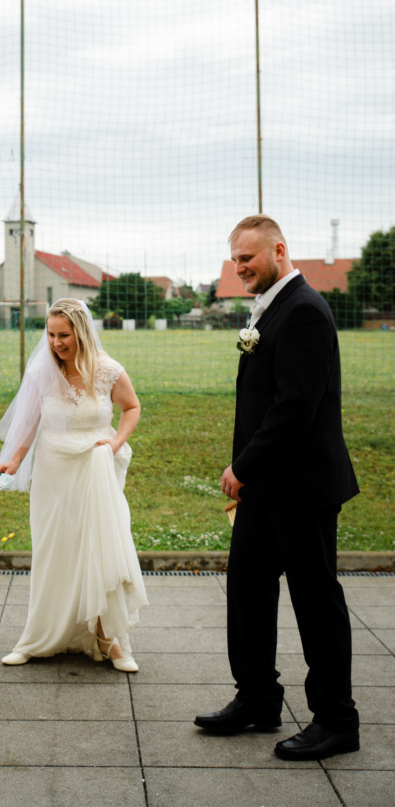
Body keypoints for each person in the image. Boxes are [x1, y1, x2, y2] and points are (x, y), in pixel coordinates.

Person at [194, 215, 360, 761]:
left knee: (316, 601)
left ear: (279, 251)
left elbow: (295, 407)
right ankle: (258, 698)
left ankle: (337, 720)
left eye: (247, 258)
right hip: (265, 486)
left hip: (302, 487)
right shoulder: (269, 307)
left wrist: (243, 467)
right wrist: (249, 472)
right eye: (234, 260)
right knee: (247, 590)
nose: (239, 268)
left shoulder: (304, 309)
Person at [0, 297, 148, 671]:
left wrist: (116, 442)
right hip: (54, 472)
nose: (56, 343)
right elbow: (29, 420)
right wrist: (14, 459)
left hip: (95, 467)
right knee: (54, 552)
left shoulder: (108, 370)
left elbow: (131, 407)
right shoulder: (41, 373)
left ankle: (109, 639)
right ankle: (38, 637)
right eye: (50, 334)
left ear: (81, 332)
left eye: (63, 335)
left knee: (99, 548)